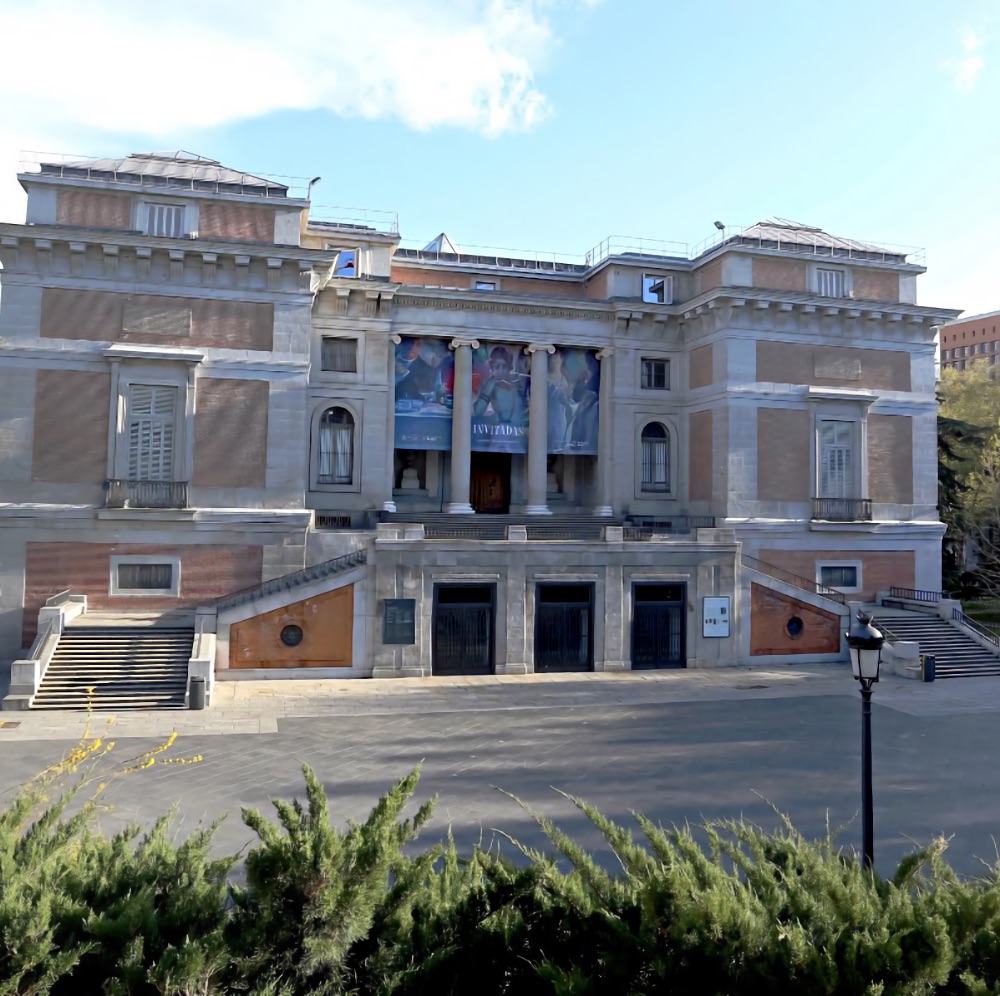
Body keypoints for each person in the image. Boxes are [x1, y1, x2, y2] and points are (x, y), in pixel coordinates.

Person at [473, 346, 528, 425]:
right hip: (495, 429)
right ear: (491, 367)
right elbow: (477, 411)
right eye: (497, 367)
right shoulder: (488, 384)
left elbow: (516, 417)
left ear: (509, 367)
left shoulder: (516, 386)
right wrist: (489, 387)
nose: (500, 371)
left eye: (504, 367)